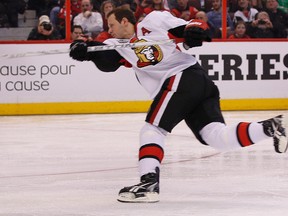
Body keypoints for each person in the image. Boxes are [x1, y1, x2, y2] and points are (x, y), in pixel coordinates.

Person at [69, 8, 288, 203]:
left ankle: (148, 184)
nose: (110, 30)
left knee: (153, 129)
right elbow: (105, 58)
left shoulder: (152, 22)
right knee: (216, 137)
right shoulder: (119, 45)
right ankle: (272, 127)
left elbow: (190, 26)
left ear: (125, 21)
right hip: (196, 84)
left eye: (113, 25)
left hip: (183, 77)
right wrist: (85, 51)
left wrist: (193, 33)